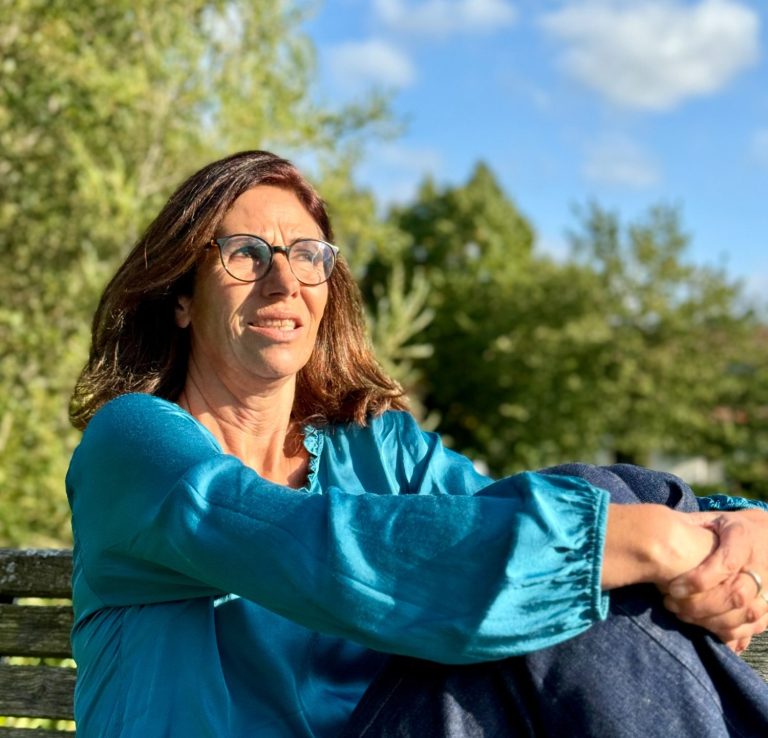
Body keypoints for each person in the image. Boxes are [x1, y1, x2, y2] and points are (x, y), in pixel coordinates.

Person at [66, 150, 768, 737]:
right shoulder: (133, 444)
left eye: (308, 256)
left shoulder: (376, 451)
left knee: (604, 514)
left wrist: (743, 526)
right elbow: (303, 542)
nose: (284, 281)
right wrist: (647, 539)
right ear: (182, 298)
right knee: (593, 546)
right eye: (245, 255)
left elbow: (534, 520)